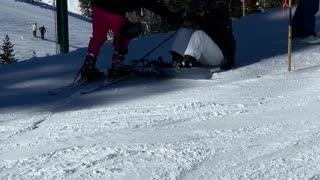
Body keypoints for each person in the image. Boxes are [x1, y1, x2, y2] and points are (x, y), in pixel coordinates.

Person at [80, 0, 182, 82]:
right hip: (114, 10)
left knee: (98, 36)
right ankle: (117, 67)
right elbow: (155, 6)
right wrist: (176, 19)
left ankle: (89, 67)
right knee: (124, 34)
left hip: (98, 6)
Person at [169, 0, 236, 70]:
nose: (200, 13)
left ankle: (189, 63)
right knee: (185, 30)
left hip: (217, 56)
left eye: (201, 12)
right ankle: (176, 61)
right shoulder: (198, 10)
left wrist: (231, 61)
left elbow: (229, 39)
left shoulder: (219, 11)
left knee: (199, 33)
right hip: (203, 55)